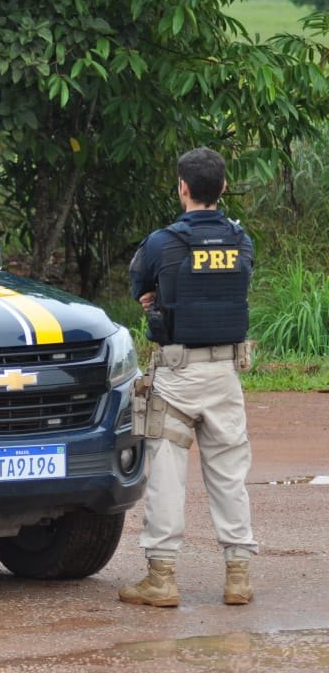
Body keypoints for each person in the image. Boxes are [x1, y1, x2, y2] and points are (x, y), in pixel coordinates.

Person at [122, 146, 257, 608]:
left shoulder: (163, 242)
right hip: (226, 373)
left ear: (182, 187)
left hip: (177, 376)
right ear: (221, 188)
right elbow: (236, 285)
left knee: (165, 476)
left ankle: (162, 578)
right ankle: (237, 576)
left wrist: (156, 297)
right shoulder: (241, 241)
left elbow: (140, 285)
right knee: (229, 475)